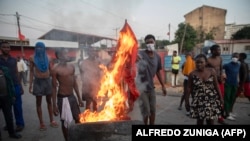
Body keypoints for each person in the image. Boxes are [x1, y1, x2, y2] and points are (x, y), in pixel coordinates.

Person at [51, 48, 83, 141]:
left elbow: (74, 83)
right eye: (65, 54)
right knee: (65, 122)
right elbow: (53, 88)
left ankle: (79, 137)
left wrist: (79, 99)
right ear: (59, 56)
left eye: (67, 53)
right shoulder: (55, 69)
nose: (68, 55)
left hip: (72, 97)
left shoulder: (71, 67)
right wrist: (54, 105)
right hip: (63, 98)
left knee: (78, 118)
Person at [136, 34, 167, 125]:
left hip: (151, 88)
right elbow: (132, 56)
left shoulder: (157, 57)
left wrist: (163, 86)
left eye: (151, 42)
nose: (150, 44)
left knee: (153, 111)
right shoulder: (141, 54)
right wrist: (134, 57)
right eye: (147, 43)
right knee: (146, 111)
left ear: (155, 42)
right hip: (141, 89)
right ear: (145, 44)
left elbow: (158, 72)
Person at [185, 54, 223, 125]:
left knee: (210, 121)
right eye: (197, 62)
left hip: (211, 99)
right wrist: (187, 101)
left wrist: (220, 98)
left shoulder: (212, 71)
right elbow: (188, 88)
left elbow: (216, 85)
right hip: (198, 100)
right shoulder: (192, 74)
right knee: (200, 121)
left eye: (201, 62)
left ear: (206, 63)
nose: (199, 64)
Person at [29, 42, 58, 131]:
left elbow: (51, 70)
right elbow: (31, 71)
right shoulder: (32, 58)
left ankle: (52, 120)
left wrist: (54, 80)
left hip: (47, 81)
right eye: (38, 48)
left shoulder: (48, 58)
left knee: (49, 101)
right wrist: (30, 84)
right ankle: (41, 123)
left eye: (41, 48)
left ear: (44, 48)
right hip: (38, 82)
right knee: (39, 103)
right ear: (35, 48)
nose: (40, 49)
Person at [0, 41, 25, 132]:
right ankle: (9, 124)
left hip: (15, 85)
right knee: (7, 108)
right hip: (3, 88)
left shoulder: (14, 60)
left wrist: (21, 86)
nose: (6, 49)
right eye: (4, 47)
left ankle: (20, 124)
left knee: (17, 106)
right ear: (1, 48)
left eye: (8, 47)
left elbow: (17, 73)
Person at [206, 44, 227, 125]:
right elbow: (206, 71)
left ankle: (220, 118)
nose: (219, 51)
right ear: (212, 51)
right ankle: (210, 117)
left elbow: (221, 69)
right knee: (212, 100)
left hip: (220, 82)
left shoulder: (220, 58)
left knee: (221, 99)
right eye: (217, 50)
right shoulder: (208, 60)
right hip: (212, 83)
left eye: (219, 50)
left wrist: (222, 75)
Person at [0, 66, 22, 139]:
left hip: (6, 96)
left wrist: (12, 94)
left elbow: (10, 82)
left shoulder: (4, 69)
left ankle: (12, 133)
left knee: (9, 116)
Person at [223, 52, 240, 121]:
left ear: (238, 58)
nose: (235, 58)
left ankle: (229, 112)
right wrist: (223, 74)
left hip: (235, 84)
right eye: (234, 56)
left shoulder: (238, 65)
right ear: (231, 57)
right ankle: (226, 114)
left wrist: (238, 82)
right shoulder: (227, 65)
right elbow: (221, 69)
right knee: (227, 98)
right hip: (228, 84)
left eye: (236, 57)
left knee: (232, 98)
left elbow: (238, 74)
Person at [178, 51, 195, 116]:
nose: (190, 57)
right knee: (186, 94)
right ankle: (187, 108)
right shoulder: (185, 63)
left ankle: (192, 108)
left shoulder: (195, 62)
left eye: (191, 55)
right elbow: (183, 71)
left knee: (191, 95)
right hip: (187, 80)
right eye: (189, 55)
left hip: (192, 81)